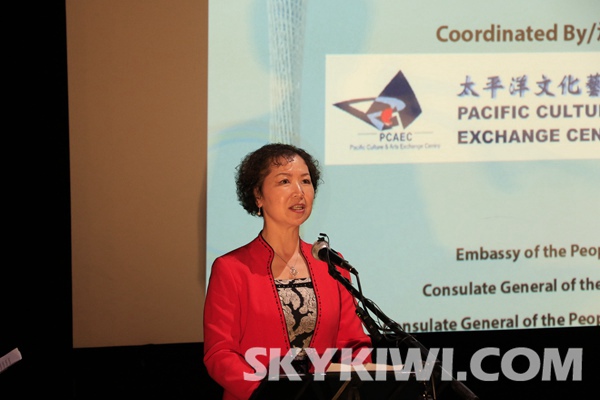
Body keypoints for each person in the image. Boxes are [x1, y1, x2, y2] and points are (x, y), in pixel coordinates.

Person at [203, 143, 373, 400]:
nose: (299, 192)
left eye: (305, 181)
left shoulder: (331, 264)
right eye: (284, 181)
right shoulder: (231, 269)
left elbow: (352, 343)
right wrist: (262, 393)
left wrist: (353, 379)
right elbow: (220, 353)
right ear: (258, 196)